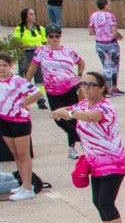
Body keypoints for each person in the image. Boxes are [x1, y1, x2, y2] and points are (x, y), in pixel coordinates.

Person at [51, 72, 125, 223]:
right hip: (95, 162)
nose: (85, 88)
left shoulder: (106, 107)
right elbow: (73, 108)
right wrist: (61, 110)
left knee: (106, 201)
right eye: (83, 84)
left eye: (90, 85)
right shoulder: (84, 104)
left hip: (112, 161)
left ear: (102, 88)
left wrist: (69, 113)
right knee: (98, 201)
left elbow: (92, 117)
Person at [0, 51, 45, 200]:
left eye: (4, 65)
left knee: (23, 154)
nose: (1, 68)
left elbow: (37, 92)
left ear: (10, 66)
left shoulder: (18, 81)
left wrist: (24, 103)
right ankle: (23, 183)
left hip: (20, 121)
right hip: (3, 120)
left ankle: (28, 187)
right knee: (15, 154)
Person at [27, 24, 86, 156]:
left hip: (70, 87)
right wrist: (26, 84)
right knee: (59, 117)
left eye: (57, 36)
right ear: (46, 37)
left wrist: (79, 75)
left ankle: (72, 147)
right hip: (53, 90)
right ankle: (82, 137)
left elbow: (81, 62)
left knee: (72, 117)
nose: (54, 38)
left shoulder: (68, 50)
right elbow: (33, 67)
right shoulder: (41, 50)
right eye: (51, 36)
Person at [87, 0, 121, 90]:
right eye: (108, 4)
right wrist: (119, 36)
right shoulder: (111, 16)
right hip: (111, 43)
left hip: (100, 44)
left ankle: (107, 88)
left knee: (106, 66)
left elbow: (91, 32)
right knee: (114, 66)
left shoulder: (93, 16)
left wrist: (99, 32)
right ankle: (114, 87)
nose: (110, 5)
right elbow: (114, 31)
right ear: (104, 5)